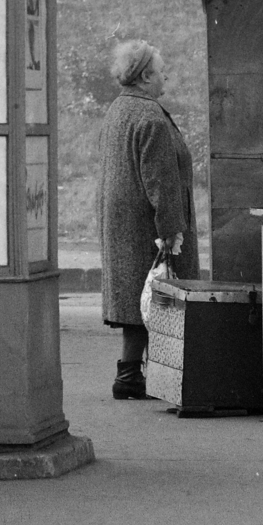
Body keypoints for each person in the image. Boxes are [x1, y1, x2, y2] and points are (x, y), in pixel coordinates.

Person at [98, 39, 198, 400]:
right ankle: (164, 375)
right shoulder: (150, 116)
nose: (165, 76)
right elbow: (161, 181)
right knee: (162, 296)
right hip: (147, 224)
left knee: (138, 298)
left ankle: (129, 375)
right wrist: (171, 230)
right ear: (143, 77)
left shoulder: (117, 111)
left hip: (121, 222)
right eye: (160, 71)